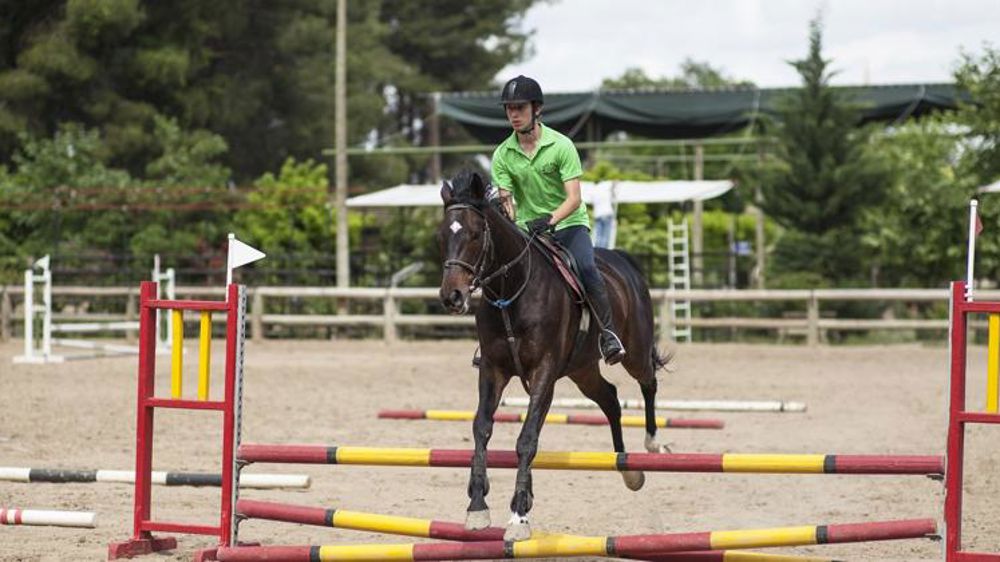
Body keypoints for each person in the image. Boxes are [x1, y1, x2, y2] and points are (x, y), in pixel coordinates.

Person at [490, 75, 626, 365]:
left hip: (568, 224)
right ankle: (491, 341)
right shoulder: (502, 154)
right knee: (500, 273)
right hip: (528, 230)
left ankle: (608, 334)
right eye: (509, 108)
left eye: (520, 108)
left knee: (588, 269)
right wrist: (507, 216)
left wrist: (549, 220)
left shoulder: (561, 145)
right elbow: (507, 201)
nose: (513, 114)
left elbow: (574, 198)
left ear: (536, 109)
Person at [590, 181, 617, 249]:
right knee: (605, 236)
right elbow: (615, 182)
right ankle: (604, 251)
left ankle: (598, 251)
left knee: (598, 235)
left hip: (597, 215)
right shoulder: (606, 184)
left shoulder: (593, 190)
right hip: (607, 213)